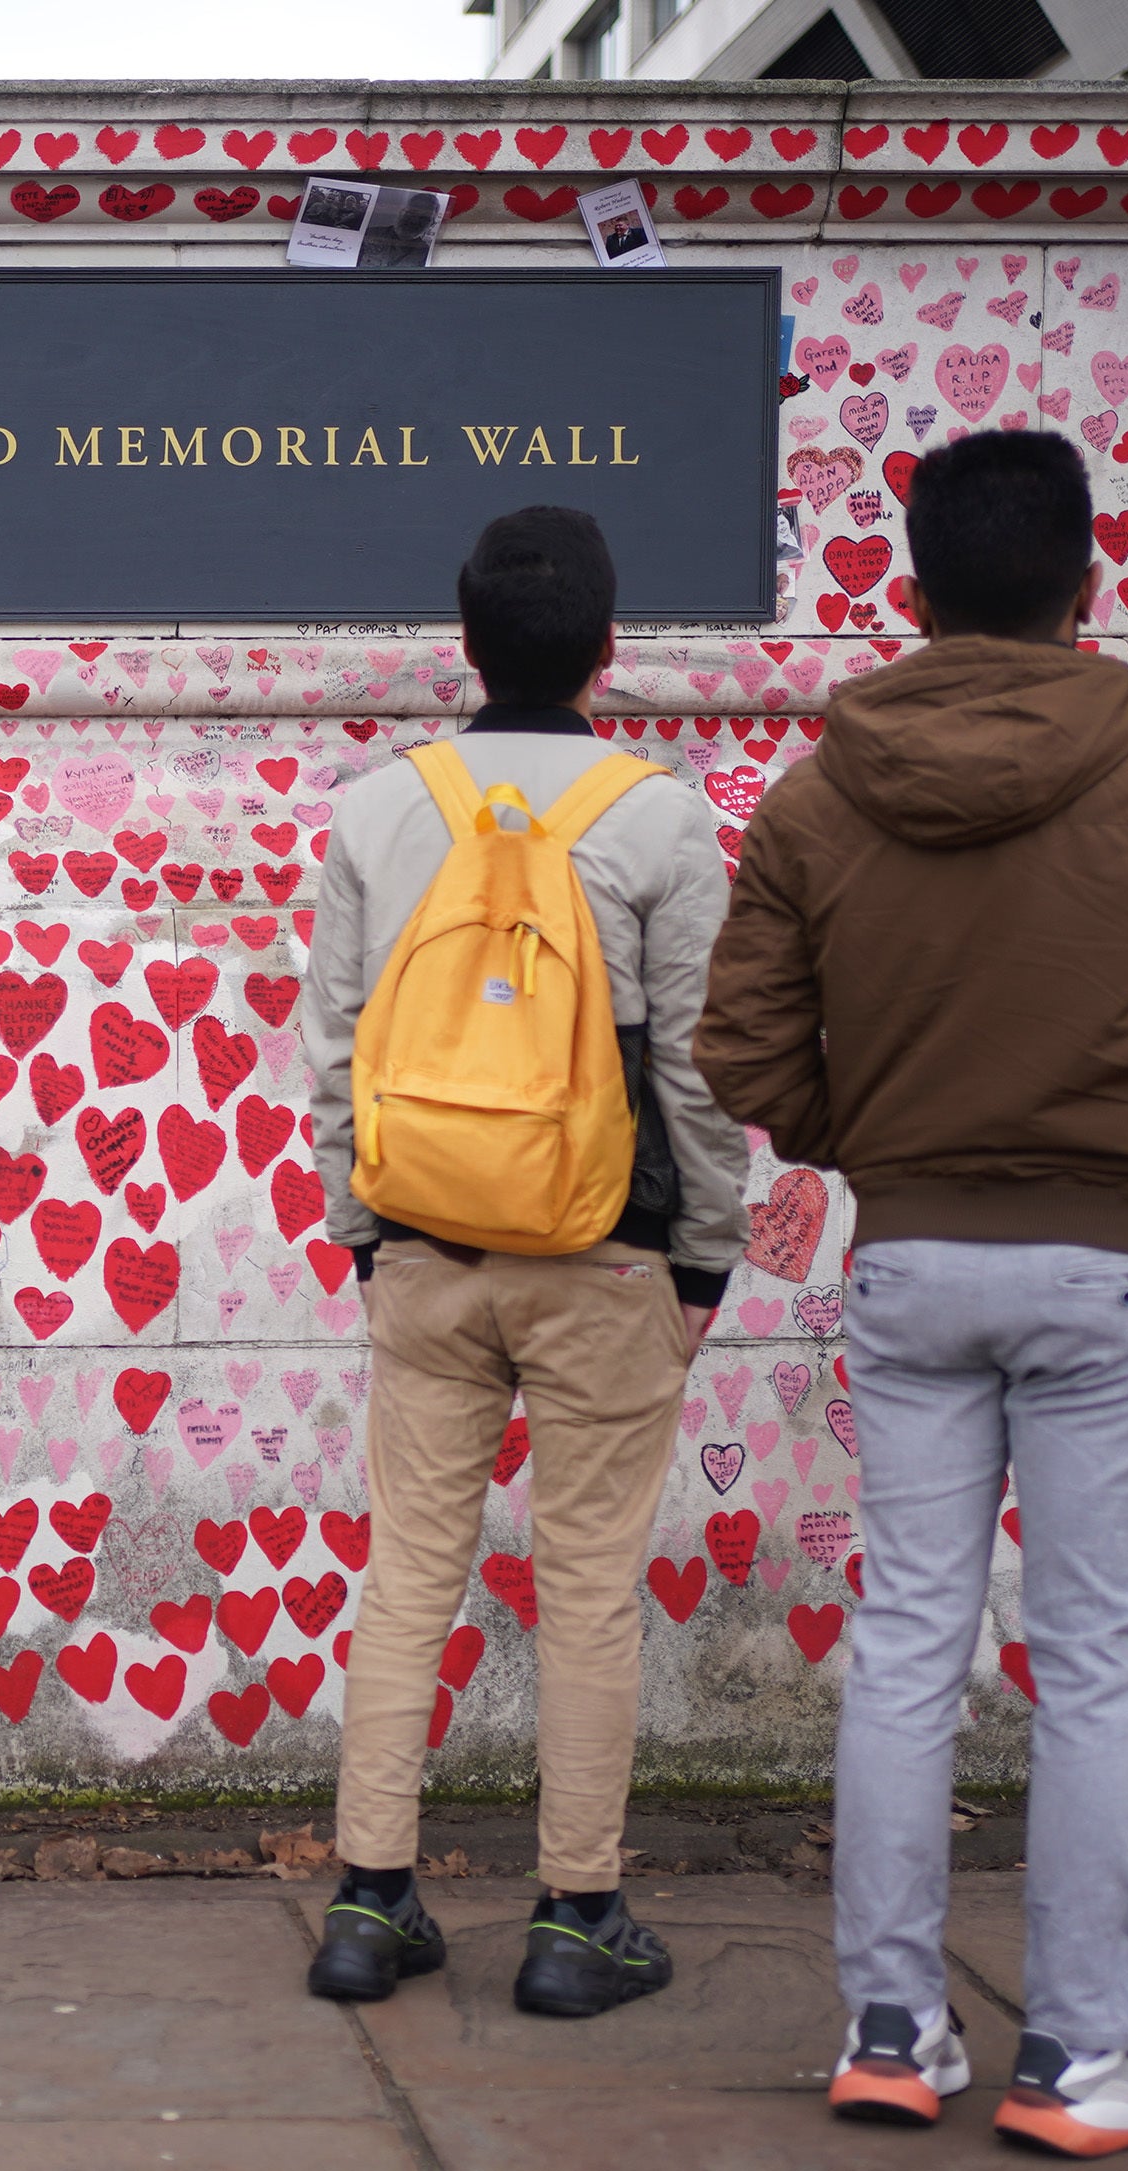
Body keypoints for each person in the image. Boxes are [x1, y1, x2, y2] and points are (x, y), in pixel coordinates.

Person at [695, 429, 1128, 2154]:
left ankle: (892, 2028)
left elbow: (745, 1045)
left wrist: (872, 1132)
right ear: (1086, 580)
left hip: (913, 1256)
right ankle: (1083, 2058)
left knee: (904, 1646)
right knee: (1091, 1663)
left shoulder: (820, 794)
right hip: (1114, 1264)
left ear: (913, 586)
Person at [298, 506, 748, 2016]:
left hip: (423, 1250)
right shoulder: (663, 818)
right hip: (609, 1261)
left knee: (407, 1572)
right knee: (590, 1586)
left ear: (467, 642)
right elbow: (695, 1069)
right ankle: (576, 1919)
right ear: (610, 648)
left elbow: (336, 1052)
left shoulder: (376, 808)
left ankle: (368, 1907)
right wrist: (706, 1259)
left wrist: (364, 1236)